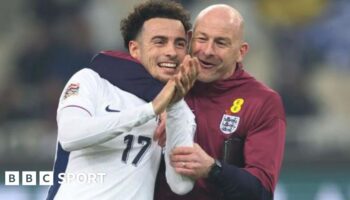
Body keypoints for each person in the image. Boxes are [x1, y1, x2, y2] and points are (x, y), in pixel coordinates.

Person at [47, 1, 199, 199]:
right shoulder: (91, 80)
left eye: (179, 43)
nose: (171, 51)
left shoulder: (180, 111)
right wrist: (150, 110)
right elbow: (70, 136)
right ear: (135, 49)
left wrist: (174, 105)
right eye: (159, 41)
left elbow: (181, 185)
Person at [154, 4, 286, 200]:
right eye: (202, 39)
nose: (208, 51)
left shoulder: (262, 102)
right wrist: (156, 108)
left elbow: (262, 192)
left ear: (241, 52)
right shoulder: (161, 81)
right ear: (190, 39)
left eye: (221, 43)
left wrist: (211, 169)